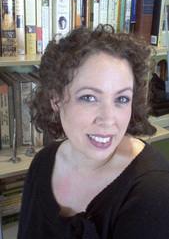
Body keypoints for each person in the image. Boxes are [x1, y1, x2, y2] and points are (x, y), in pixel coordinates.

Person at [17, 24, 169, 239]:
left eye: (122, 99)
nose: (108, 120)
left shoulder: (154, 192)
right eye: (89, 97)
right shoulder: (43, 163)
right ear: (55, 99)